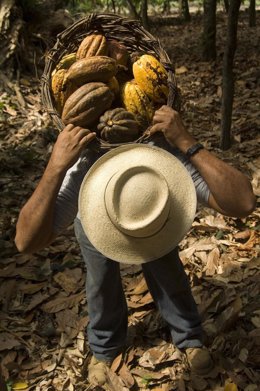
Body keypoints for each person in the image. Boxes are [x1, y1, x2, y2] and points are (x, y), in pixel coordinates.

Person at [15, 105, 256, 386]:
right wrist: (56, 165)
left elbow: (243, 202)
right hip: (93, 213)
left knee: (166, 268)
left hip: (154, 216)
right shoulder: (84, 165)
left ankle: (189, 336)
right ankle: (105, 347)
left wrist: (186, 141)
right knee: (101, 278)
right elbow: (24, 241)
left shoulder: (160, 156)